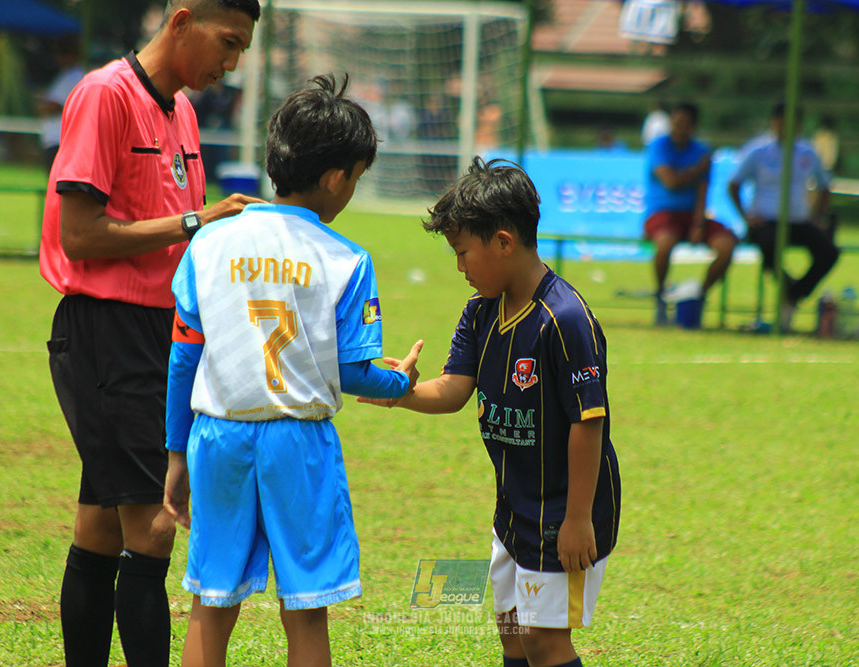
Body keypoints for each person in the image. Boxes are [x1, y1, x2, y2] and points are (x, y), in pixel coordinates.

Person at [162, 73, 422, 667]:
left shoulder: (209, 243)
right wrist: (400, 381)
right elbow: (354, 372)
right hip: (297, 440)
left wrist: (176, 451)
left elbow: (184, 356)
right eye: (356, 179)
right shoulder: (347, 259)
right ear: (337, 178)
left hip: (217, 436)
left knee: (212, 600)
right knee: (306, 608)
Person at [38, 2, 263, 665]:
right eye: (227, 42)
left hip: (162, 335)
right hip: (106, 331)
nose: (231, 62)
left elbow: (180, 235)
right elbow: (77, 236)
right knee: (156, 526)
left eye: (243, 48)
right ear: (182, 20)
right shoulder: (106, 94)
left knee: (102, 524)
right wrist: (197, 221)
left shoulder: (183, 112)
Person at [361, 157, 620, 667]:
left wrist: (577, 519)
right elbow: (455, 389)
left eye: (463, 252)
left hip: (565, 508)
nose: (459, 267)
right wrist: (402, 392)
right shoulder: (481, 311)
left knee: (546, 641)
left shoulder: (564, 319)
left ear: (503, 242)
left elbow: (588, 424)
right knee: (512, 633)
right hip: (514, 508)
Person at [728, 102, 839, 331]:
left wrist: (816, 216)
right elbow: (734, 184)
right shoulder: (757, 151)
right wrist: (746, 216)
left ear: (799, 126)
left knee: (829, 252)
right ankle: (791, 294)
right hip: (766, 221)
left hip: (799, 221)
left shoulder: (808, 152)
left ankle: (793, 294)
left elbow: (825, 186)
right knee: (768, 245)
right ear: (774, 122)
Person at [643, 102, 737, 325]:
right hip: (661, 213)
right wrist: (697, 170)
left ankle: (698, 296)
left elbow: (702, 191)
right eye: (675, 123)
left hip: (691, 214)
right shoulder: (659, 147)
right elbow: (671, 182)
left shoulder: (701, 151)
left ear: (693, 127)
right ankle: (660, 295)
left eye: (685, 124)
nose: (679, 129)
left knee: (726, 246)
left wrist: (698, 224)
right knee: (665, 244)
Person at [37, 33, 85, 173]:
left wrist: (40, 106)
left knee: (56, 190)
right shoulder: (73, 76)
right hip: (64, 141)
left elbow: (53, 107)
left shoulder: (71, 78)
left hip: (59, 141)